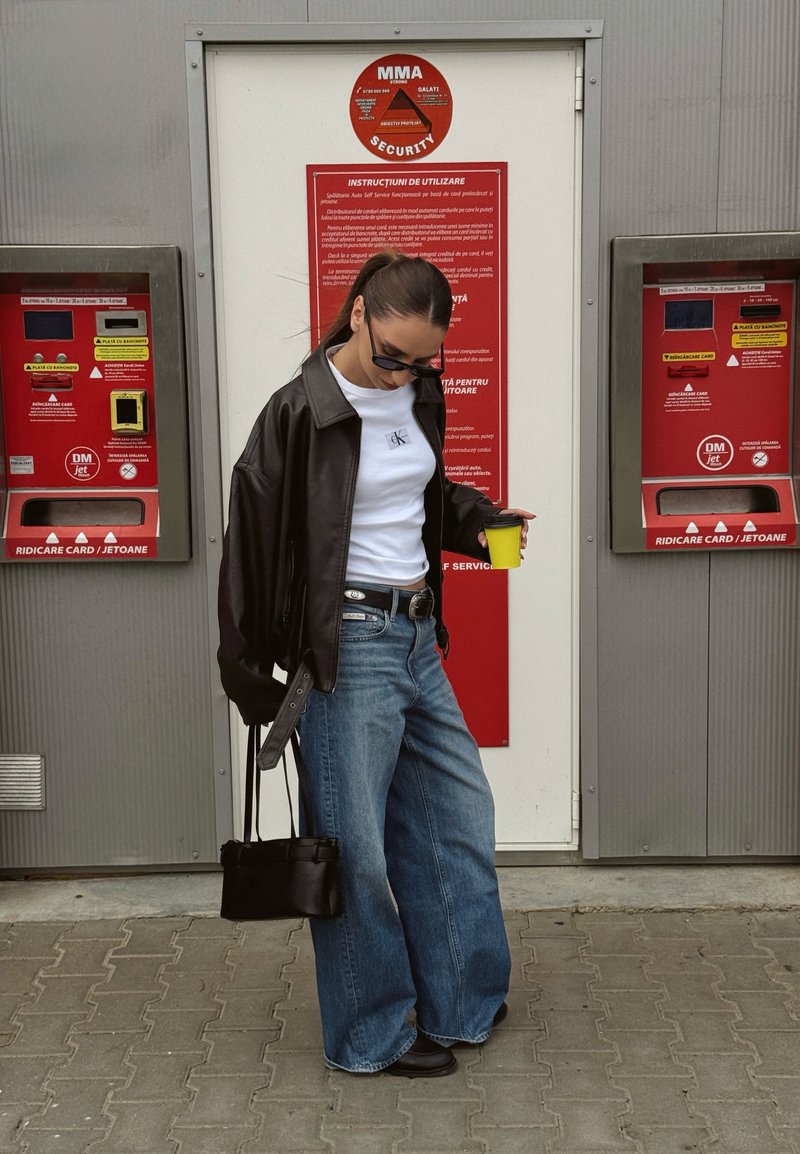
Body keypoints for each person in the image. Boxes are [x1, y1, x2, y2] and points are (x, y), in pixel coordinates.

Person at [218, 249, 534, 1077]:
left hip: (416, 634)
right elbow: (249, 544)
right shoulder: (298, 412)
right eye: (392, 356)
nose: (403, 376)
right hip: (345, 645)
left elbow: (418, 497)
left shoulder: (417, 395)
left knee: (458, 819)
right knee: (355, 848)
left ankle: (463, 996)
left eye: (421, 361)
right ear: (357, 313)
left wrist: (479, 522)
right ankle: (371, 1031)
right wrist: (248, 671)